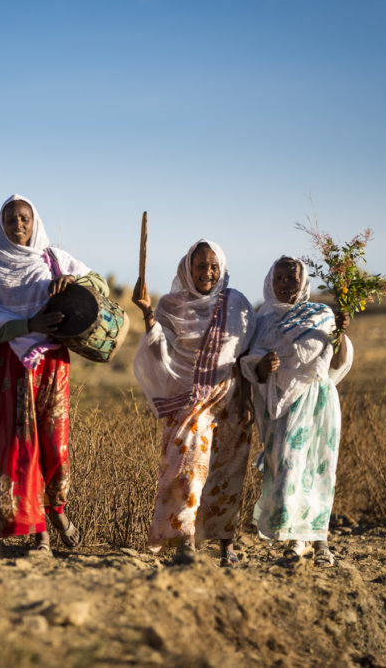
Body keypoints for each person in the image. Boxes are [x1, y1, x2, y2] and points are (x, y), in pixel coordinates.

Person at [0, 194, 107, 555]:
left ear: (35, 223)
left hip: (52, 365)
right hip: (15, 368)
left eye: (24, 219)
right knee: (25, 448)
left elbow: (100, 285)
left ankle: (58, 511)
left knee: (55, 445)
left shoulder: (54, 259)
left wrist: (70, 284)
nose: (18, 225)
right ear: (0, 226)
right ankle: (40, 534)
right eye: (10, 219)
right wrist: (29, 323)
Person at [132, 239, 254, 566]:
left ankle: (226, 547)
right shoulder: (171, 306)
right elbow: (160, 352)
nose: (208, 273)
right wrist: (146, 313)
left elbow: (243, 357)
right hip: (189, 398)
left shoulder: (238, 306)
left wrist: (246, 399)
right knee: (188, 467)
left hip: (229, 398)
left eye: (214, 266)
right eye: (201, 266)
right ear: (189, 267)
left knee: (227, 471)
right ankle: (185, 539)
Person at [239, 256, 353, 567]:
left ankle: (319, 542)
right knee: (288, 466)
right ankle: (296, 538)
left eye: (293, 278)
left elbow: (337, 362)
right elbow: (250, 366)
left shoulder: (320, 314)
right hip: (279, 407)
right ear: (270, 282)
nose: (286, 284)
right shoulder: (262, 322)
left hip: (317, 401)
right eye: (280, 278)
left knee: (317, 470)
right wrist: (264, 366)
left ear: (303, 283)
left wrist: (340, 333)